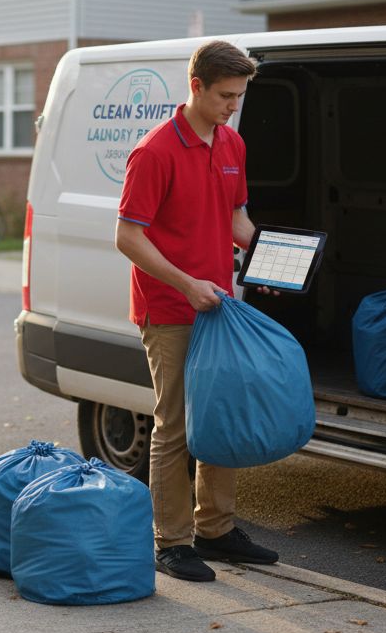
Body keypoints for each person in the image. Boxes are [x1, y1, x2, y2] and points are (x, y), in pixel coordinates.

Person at [114, 40, 279, 583]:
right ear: (197, 87)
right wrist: (186, 284)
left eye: (240, 95)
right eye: (226, 95)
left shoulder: (232, 143)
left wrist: (271, 262)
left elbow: (237, 222)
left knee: (221, 417)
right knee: (177, 425)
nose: (233, 104)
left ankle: (217, 531)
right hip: (169, 307)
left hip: (219, 307)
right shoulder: (155, 151)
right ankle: (173, 542)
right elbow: (129, 238)